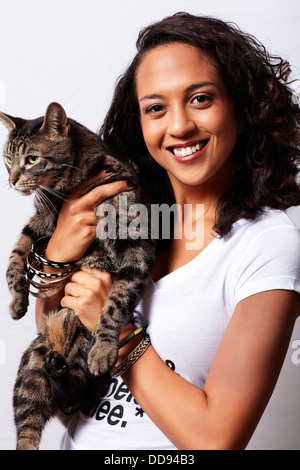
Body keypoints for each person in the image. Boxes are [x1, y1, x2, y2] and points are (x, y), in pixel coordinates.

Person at [36, 13, 300, 450]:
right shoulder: (128, 218)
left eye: (200, 98)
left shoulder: (267, 244)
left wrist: (117, 333)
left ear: (240, 103)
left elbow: (216, 440)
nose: (178, 126)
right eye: (155, 107)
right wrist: (56, 263)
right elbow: (70, 401)